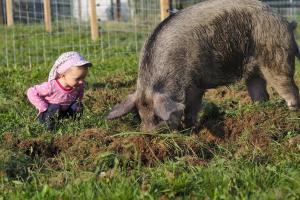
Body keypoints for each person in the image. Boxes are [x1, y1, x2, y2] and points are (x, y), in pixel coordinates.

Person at [27, 51, 92, 130]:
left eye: (83, 78)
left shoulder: (78, 86)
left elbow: (79, 96)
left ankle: (73, 125)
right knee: (55, 107)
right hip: (48, 114)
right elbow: (31, 92)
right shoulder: (52, 86)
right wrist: (43, 107)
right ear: (63, 75)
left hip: (64, 112)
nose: (81, 81)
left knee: (78, 105)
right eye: (77, 78)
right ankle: (49, 128)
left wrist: (78, 102)